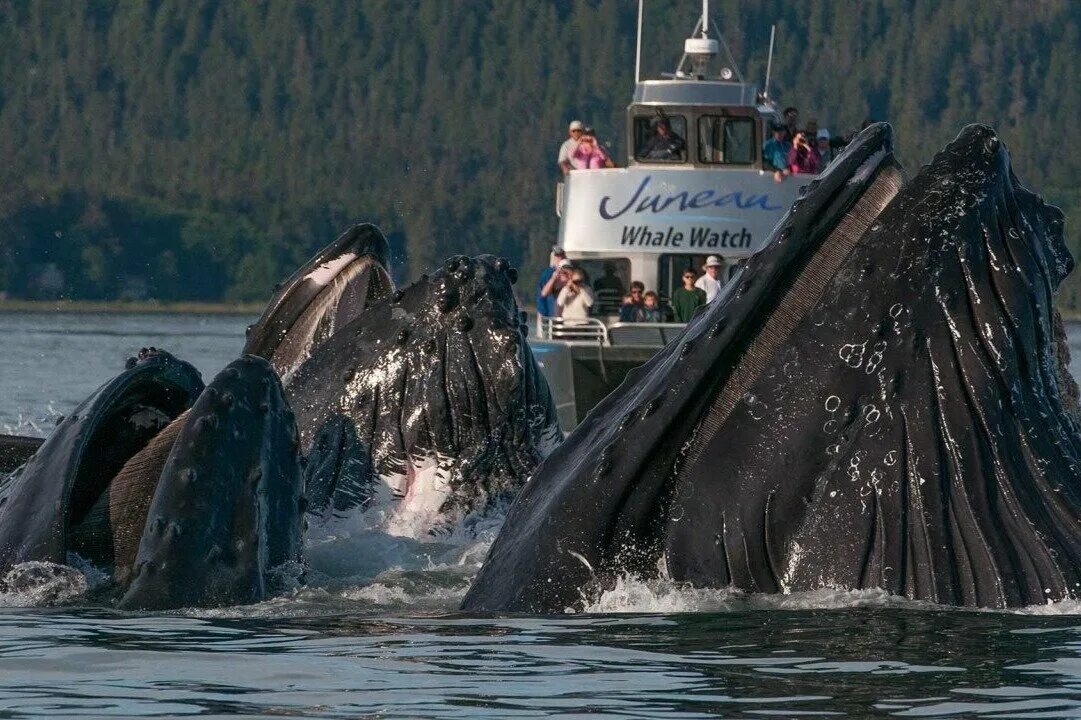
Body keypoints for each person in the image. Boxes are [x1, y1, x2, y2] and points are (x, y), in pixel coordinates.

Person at [536, 248, 567, 317]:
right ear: (554, 258)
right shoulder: (548, 273)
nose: (559, 258)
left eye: (562, 256)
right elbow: (543, 293)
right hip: (550, 312)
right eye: (557, 256)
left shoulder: (570, 272)